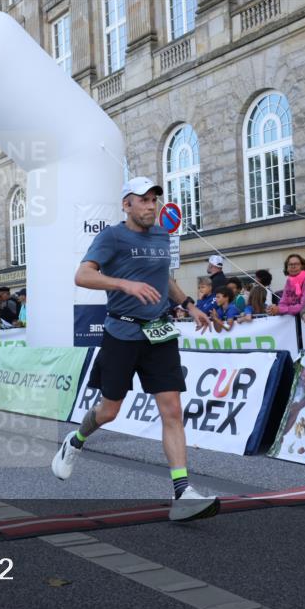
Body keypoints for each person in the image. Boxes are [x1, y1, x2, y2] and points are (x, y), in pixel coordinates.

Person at [51, 176, 218, 522]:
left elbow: (165, 279)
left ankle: (182, 492)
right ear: (126, 204)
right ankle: (76, 440)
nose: (150, 205)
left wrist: (189, 304)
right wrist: (122, 283)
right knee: (109, 411)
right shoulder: (111, 236)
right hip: (121, 332)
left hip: (159, 334)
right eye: (143, 200)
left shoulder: (162, 235)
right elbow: (82, 276)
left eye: (154, 199)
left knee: (172, 410)